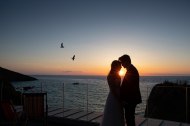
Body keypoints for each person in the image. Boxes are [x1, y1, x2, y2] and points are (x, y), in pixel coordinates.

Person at [119, 54, 142, 126]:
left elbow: (130, 88)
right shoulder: (131, 69)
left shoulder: (132, 70)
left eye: (122, 62)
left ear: (126, 61)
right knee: (130, 118)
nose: (122, 65)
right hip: (131, 99)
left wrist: (125, 100)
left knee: (129, 118)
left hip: (130, 100)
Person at [100, 60, 125, 126]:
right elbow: (113, 89)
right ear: (115, 66)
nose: (121, 67)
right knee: (113, 114)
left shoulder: (117, 74)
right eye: (120, 66)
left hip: (119, 95)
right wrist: (119, 99)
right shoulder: (110, 76)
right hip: (114, 97)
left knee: (118, 114)